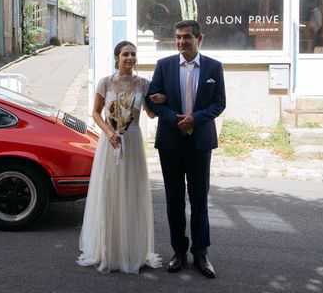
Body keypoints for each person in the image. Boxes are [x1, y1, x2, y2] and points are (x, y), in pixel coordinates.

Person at [77, 41, 165, 274]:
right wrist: (109, 133)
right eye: (126, 54)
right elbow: (95, 113)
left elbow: (151, 114)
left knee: (132, 191)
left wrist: (161, 101)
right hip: (110, 142)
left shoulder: (143, 84)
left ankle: (132, 251)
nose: (130, 58)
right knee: (110, 191)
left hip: (133, 142)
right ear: (116, 57)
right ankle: (109, 249)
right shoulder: (105, 82)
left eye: (133, 54)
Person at [147, 20, 226, 279]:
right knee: (174, 201)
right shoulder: (165, 65)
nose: (182, 42)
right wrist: (174, 118)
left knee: (200, 200)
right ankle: (179, 252)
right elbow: (153, 100)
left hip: (200, 142)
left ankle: (201, 253)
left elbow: (219, 103)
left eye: (187, 37)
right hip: (170, 143)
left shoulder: (214, 67)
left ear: (199, 38)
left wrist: (196, 118)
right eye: (178, 37)